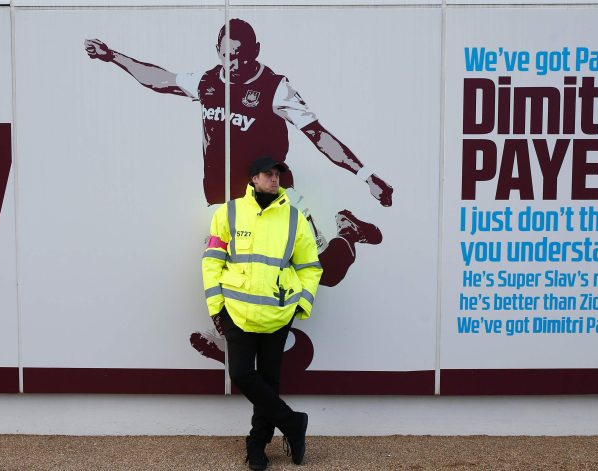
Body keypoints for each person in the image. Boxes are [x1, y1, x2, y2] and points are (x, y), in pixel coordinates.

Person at [85, 18, 390, 287]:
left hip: (275, 198)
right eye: (226, 54)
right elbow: (159, 79)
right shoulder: (207, 81)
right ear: (217, 51)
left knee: (327, 275)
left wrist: (366, 175)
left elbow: (318, 134)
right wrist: (112, 57)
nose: (232, 63)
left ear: (255, 50)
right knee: (230, 276)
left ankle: (348, 231)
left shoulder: (275, 88)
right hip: (227, 201)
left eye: (240, 56)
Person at [202, 156, 322, 469]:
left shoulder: (295, 218)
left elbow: (310, 267)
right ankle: (293, 423)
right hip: (237, 312)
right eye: (267, 174)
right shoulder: (228, 212)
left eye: (277, 175)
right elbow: (212, 261)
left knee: (269, 382)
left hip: (278, 313)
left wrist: (300, 304)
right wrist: (218, 307)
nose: (274, 179)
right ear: (253, 178)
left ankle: (257, 446)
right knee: (241, 373)